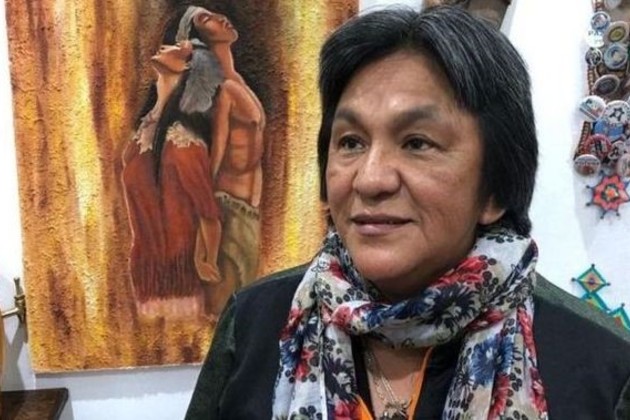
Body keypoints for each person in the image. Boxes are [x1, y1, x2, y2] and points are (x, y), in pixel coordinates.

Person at [185, 6, 630, 419]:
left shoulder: (599, 365)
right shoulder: (255, 324)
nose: (370, 179)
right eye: (351, 142)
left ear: (495, 186)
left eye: (417, 143)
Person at [122, 40, 223, 319]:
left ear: (187, 66)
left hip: (177, 282)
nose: (166, 46)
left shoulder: (182, 140)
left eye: (179, 46)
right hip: (145, 273)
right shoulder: (146, 129)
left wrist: (207, 259)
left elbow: (209, 213)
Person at [176, 6, 267, 315]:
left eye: (214, 13)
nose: (220, 18)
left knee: (244, 310)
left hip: (249, 213)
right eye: (207, 19)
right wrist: (203, 243)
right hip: (229, 209)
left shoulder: (239, 82)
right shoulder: (223, 91)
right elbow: (214, 160)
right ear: (199, 39)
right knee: (225, 309)